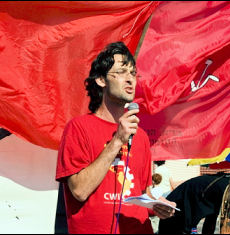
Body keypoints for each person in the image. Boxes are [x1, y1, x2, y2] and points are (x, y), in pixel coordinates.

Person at [56, 41, 176, 234]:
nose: (130, 79)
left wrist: (156, 205)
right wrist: (118, 140)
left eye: (133, 73)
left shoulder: (141, 136)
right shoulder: (78, 128)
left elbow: (141, 194)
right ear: (101, 80)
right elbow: (79, 191)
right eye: (121, 72)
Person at [158, 171, 230, 234]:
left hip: (180, 210)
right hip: (172, 210)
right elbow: (226, 229)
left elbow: (211, 217)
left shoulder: (225, 184)